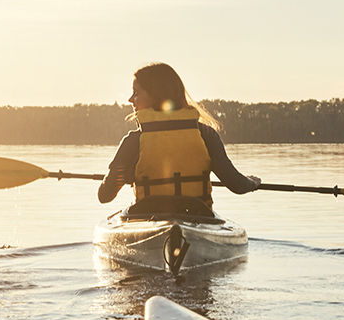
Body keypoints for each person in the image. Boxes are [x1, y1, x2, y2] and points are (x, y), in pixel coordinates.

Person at [99, 62, 259, 217]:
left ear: (156, 95)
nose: (130, 99)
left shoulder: (134, 141)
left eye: (136, 93)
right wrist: (252, 182)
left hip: (148, 217)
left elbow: (105, 195)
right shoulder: (205, 135)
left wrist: (122, 176)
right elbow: (237, 185)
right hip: (197, 217)